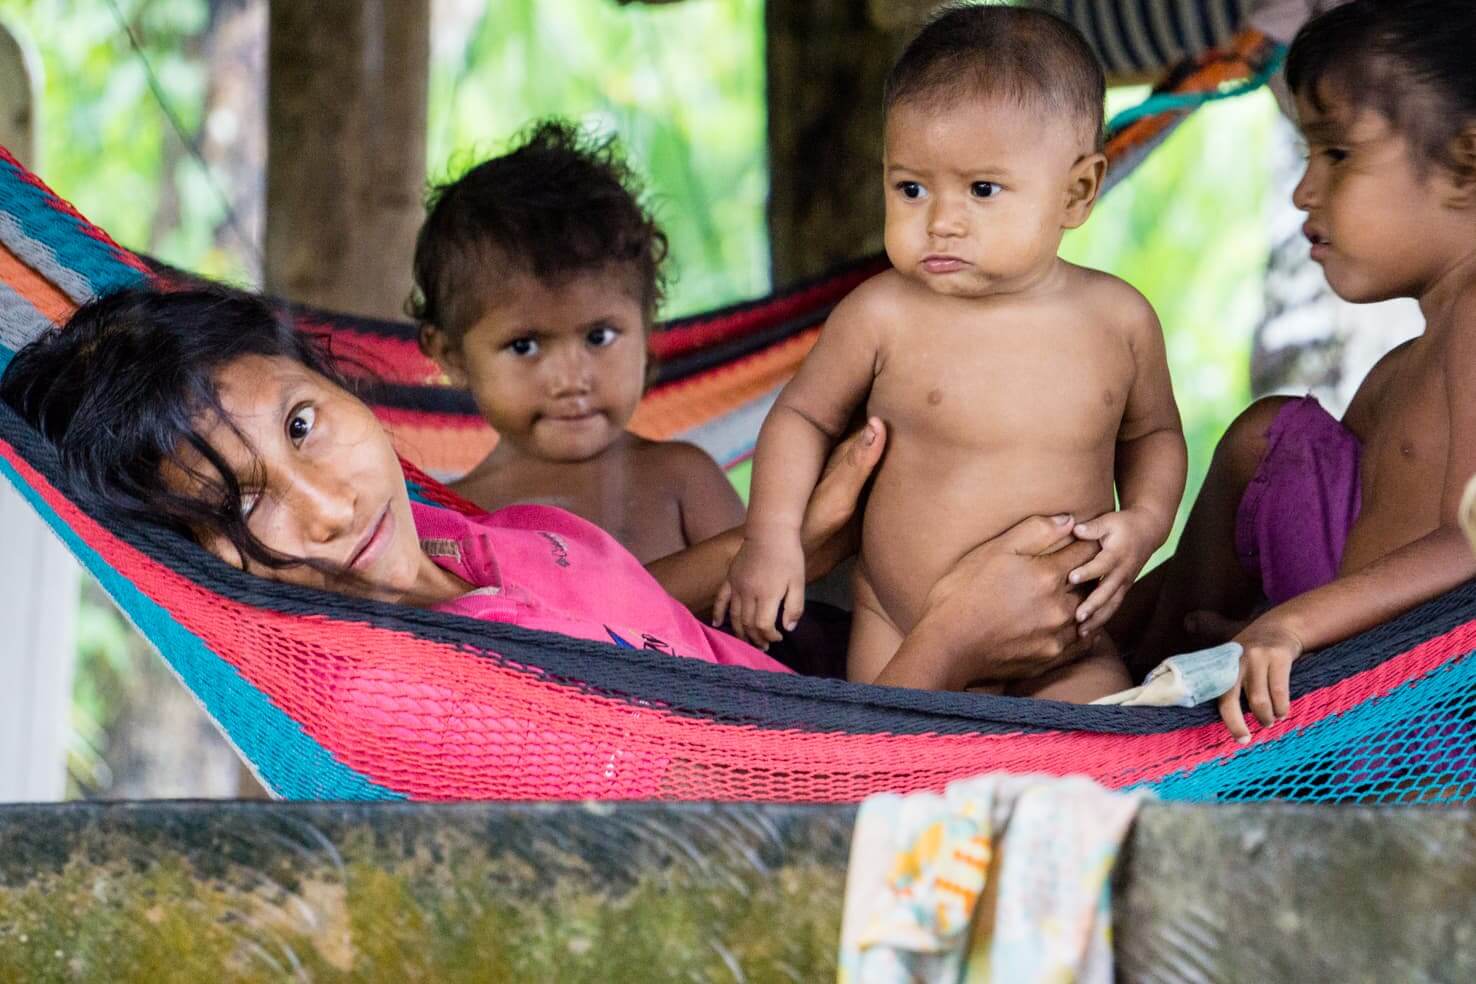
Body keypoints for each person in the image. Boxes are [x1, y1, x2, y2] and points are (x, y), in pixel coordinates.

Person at [0, 286, 1102, 692]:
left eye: (303, 425)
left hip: (833, 682)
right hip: (896, 757)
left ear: (340, 383)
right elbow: (786, 829)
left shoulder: (450, 539)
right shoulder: (435, 689)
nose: (327, 506)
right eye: (242, 508)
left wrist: (793, 542)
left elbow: (618, 608)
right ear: (191, 568)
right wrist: (950, 644)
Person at [719, 5, 1186, 699]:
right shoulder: (883, 313)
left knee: (1098, 762)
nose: (940, 221)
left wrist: (1145, 523)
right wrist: (773, 538)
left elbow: (1156, 436)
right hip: (899, 629)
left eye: (982, 189)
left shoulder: (1118, 320)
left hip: (1064, 639)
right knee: (894, 769)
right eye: (911, 187)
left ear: (1078, 191)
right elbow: (801, 420)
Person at [1113, 0, 1476, 741]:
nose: (1304, 190)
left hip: (1410, 717)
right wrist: (1258, 622)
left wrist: (1292, 623)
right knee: (1272, 436)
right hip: (1329, 666)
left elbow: (1474, 540)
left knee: (1268, 433)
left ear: (1469, 164)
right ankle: (1102, 662)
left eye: (1338, 155)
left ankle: (1104, 677)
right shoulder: (1404, 369)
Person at [410, 120, 744, 568]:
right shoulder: (451, 524)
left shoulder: (683, 479)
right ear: (451, 356)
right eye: (525, 345)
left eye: (598, 336)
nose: (570, 380)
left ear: (647, 329)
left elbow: (761, 616)